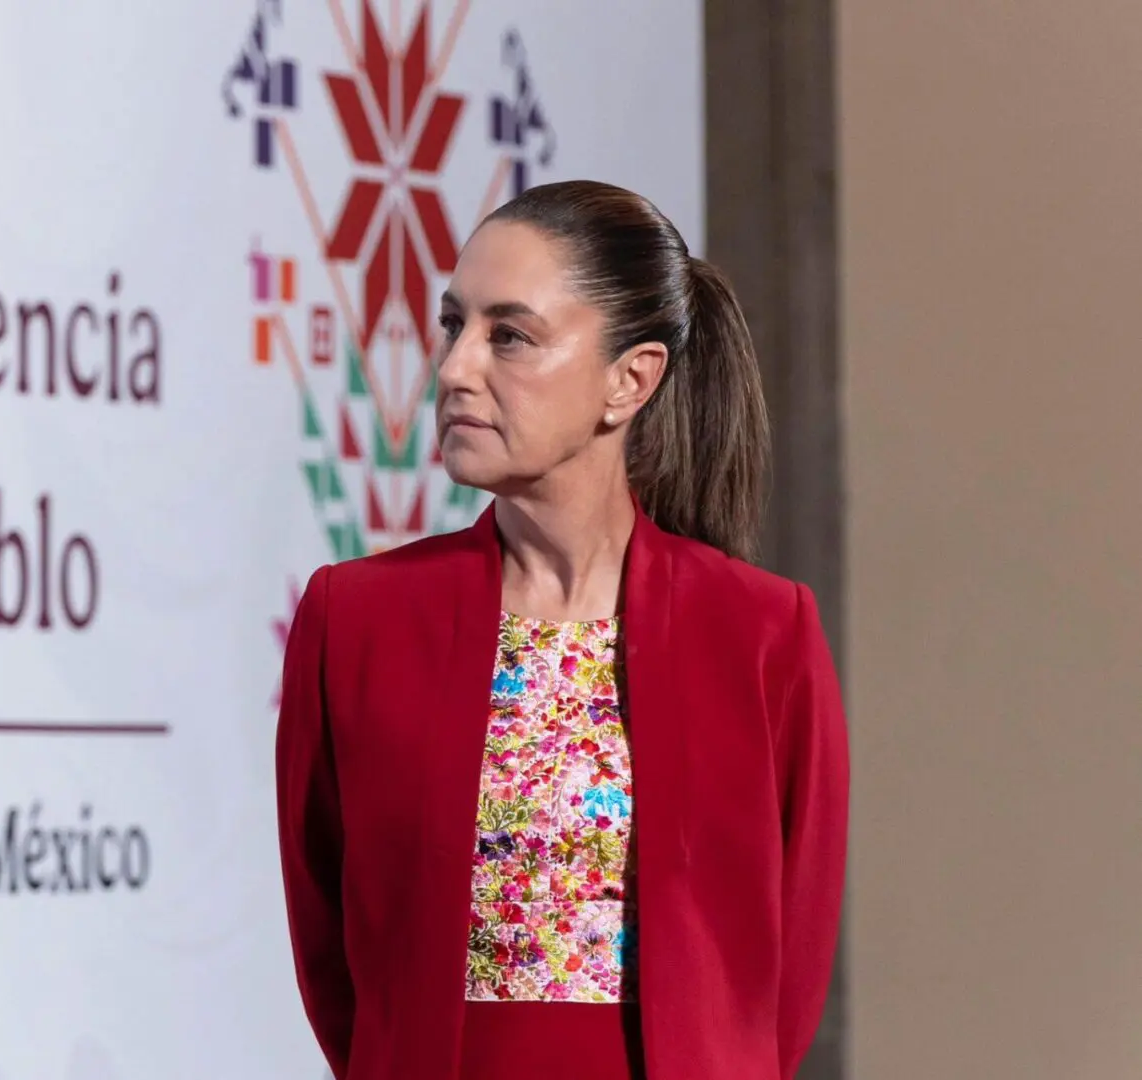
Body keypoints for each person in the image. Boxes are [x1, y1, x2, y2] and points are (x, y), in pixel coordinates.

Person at [274, 179, 849, 1080]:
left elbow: (785, 978)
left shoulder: (761, 631)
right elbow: (329, 954)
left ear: (630, 380)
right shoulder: (355, 619)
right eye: (452, 325)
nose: (457, 367)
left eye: (509, 335)